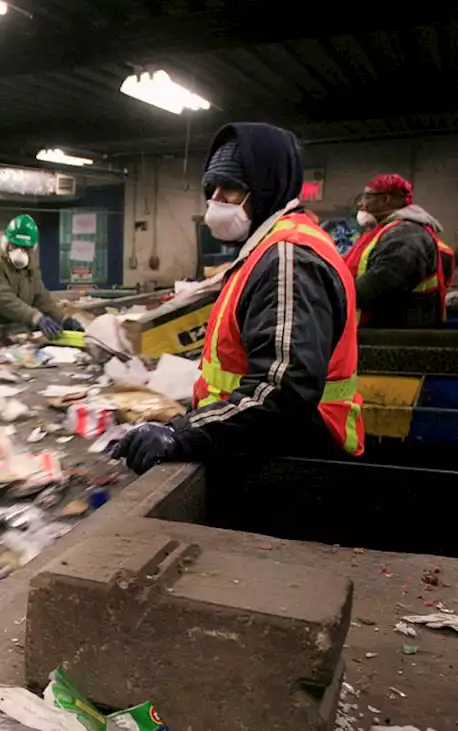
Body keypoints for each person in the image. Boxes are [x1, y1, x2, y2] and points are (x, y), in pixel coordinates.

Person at [113, 123, 364, 474]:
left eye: (231, 188)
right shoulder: (265, 249)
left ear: (267, 185)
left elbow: (281, 393)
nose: (217, 200)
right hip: (257, 444)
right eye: (211, 189)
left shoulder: (288, 257)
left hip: (292, 461)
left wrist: (180, 433)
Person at [347, 174, 455, 328]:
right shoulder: (389, 231)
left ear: (386, 200)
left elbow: (376, 286)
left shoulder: (407, 235)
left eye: (367, 196)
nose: (361, 203)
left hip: (397, 333)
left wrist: (333, 297)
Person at [0, 214, 82, 338]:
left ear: (33, 248)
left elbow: (41, 298)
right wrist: (36, 318)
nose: (20, 252)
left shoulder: (30, 268)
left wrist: (63, 319)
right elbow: (5, 301)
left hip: (7, 331)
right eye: (15, 246)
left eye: (26, 248)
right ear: (6, 243)